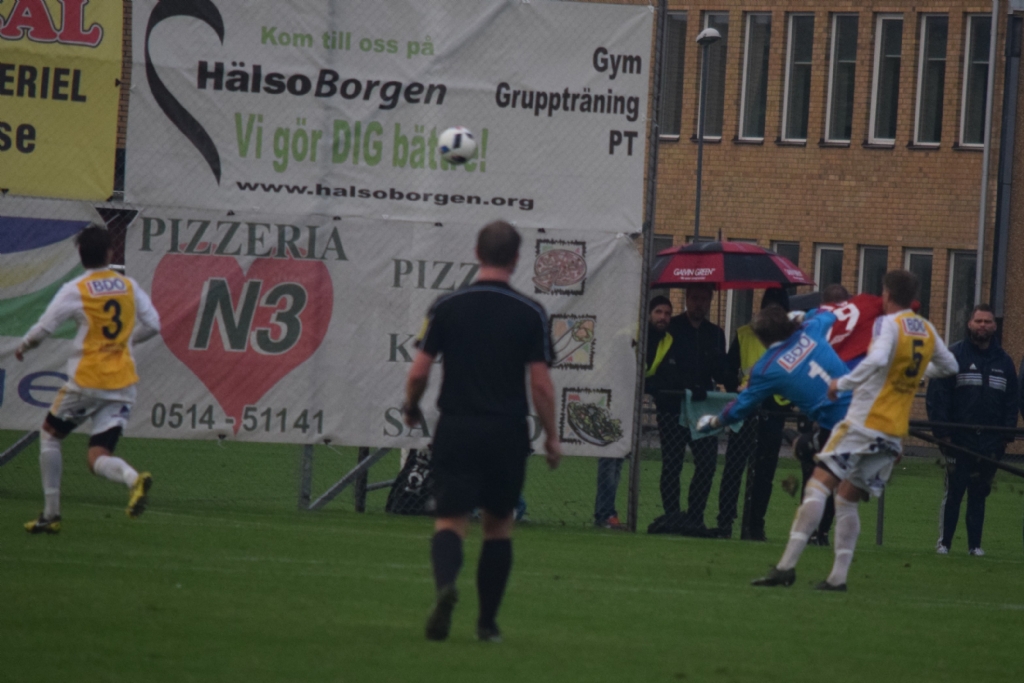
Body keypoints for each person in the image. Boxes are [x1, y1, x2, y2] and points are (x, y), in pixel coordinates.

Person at [403, 220, 561, 643]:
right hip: (506, 431)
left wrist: (411, 406)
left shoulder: (446, 306)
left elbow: (418, 372)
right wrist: (551, 436)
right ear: (516, 258)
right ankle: (487, 624)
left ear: (477, 252)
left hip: (457, 427)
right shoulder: (530, 312)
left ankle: (445, 587)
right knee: (498, 526)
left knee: (450, 521)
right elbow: (541, 385)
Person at [750, 270, 957, 591]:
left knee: (816, 487)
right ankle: (837, 578)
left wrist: (842, 383)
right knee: (846, 498)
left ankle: (785, 567)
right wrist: (913, 370)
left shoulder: (888, 324)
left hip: (865, 421)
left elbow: (876, 360)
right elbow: (950, 366)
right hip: (892, 433)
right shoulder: (926, 329)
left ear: (887, 294)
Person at [15, 225, 161, 533]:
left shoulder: (76, 289)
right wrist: (126, 342)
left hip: (88, 381)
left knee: (50, 435)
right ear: (110, 252)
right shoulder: (128, 286)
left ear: (81, 255)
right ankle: (132, 478)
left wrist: (24, 346)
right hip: (123, 383)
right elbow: (154, 324)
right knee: (98, 455)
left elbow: (43, 329)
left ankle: (51, 515)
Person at [697, 305, 852, 499]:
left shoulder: (766, 368)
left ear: (761, 339)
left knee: (823, 490)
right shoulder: (810, 328)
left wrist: (714, 422)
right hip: (863, 404)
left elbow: (739, 407)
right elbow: (827, 313)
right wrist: (804, 315)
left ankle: (806, 446)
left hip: (835, 424)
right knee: (846, 489)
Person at [927, 304, 1018, 556]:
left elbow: (1011, 402)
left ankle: (975, 546)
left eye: (987, 321)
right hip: (958, 439)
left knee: (979, 493)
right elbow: (937, 397)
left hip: (990, 442)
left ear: (994, 326)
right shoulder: (953, 356)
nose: (982, 326)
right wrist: (942, 434)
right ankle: (944, 543)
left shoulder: (1004, 362)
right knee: (954, 492)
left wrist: (1005, 437)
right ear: (970, 323)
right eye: (978, 321)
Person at [715, 288, 792, 541]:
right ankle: (726, 522)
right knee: (734, 469)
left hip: (773, 410)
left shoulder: (793, 340)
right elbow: (727, 369)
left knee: (764, 473)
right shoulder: (745, 334)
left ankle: (755, 525)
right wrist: (735, 387)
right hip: (747, 409)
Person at [594, 296, 675, 529]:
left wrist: (648, 384)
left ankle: (606, 513)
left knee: (618, 458)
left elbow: (654, 372)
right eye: (658, 312)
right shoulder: (629, 334)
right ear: (648, 314)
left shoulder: (667, 339)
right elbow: (617, 367)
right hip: (613, 399)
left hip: (632, 403)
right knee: (610, 458)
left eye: (667, 313)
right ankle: (605, 513)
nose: (663, 317)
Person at [659, 284, 734, 528]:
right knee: (672, 463)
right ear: (687, 299)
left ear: (710, 301)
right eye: (694, 298)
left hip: (703, 408)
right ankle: (672, 516)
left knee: (707, 463)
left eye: (703, 299)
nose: (699, 303)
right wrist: (687, 384)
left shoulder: (715, 333)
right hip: (674, 406)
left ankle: (695, 516)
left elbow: (721, 372)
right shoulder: (673, 328)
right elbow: (665, 366)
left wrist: (727, 373)